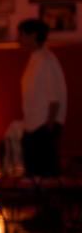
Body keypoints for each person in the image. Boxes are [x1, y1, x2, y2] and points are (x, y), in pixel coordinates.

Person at [18, 18, 67, 178]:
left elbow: (55, 97)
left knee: (44, 173)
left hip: (43, 126)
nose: (20, 39)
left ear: (33, 36)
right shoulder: (36, 58)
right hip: (33, 124)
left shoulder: (46, 60)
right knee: (33, 172)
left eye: (22, 35)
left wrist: (49, 125)